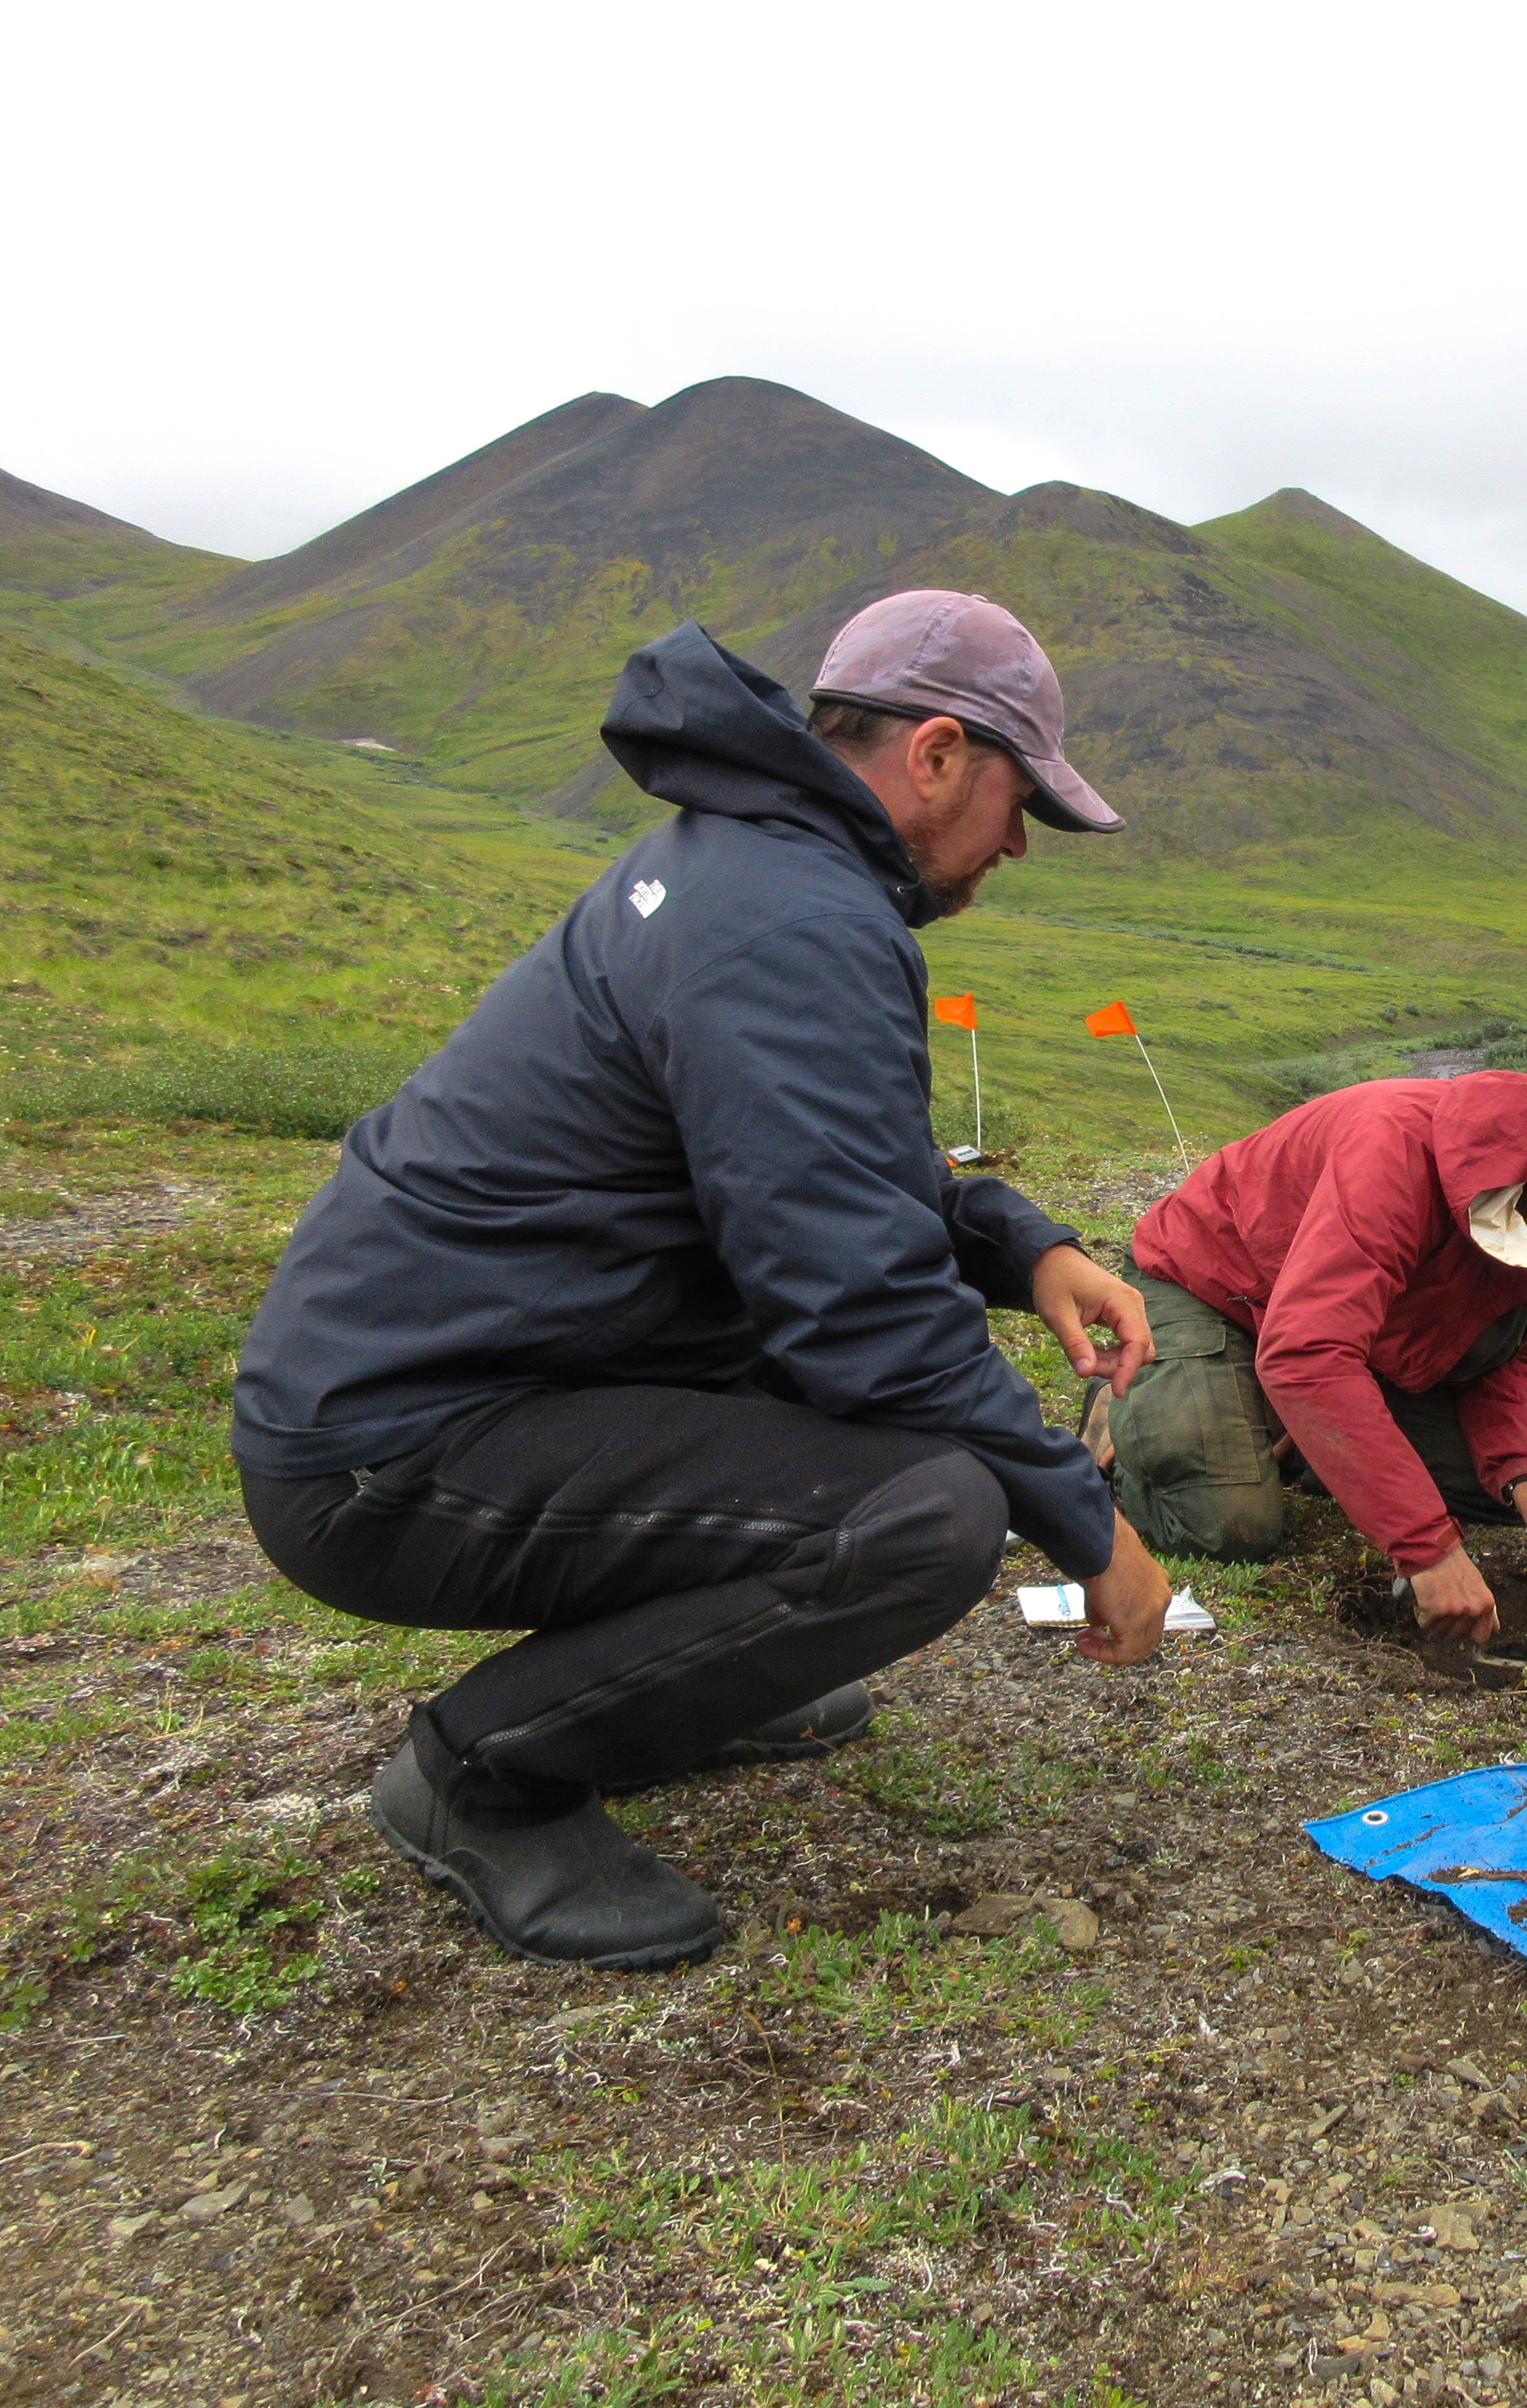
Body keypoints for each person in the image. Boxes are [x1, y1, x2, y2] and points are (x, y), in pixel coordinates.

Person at [232, 590, 1173, 1972]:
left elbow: (829, 1176)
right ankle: (482, 1776)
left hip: (455, 1384)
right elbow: (862, 1318)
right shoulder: (790, 919)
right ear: (933, 755)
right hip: (386, 1453)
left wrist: (1028, 1248)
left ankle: (680, 1690)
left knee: (853, 1449)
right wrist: (1088, 1526)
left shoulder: (752, 867)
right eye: (1017, 795)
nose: (1019, 840)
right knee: (926, 1515)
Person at [1099, 1074, 1527, 1635]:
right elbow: (1308, 1352)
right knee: (1229, 1526)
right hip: (1211, 1289)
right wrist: (1427, 1550)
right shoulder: (1394, 1151)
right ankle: (1137, 1415)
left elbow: (1510, 1358)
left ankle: (1274, 1416)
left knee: (1489, 1496)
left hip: (1348, 1333)